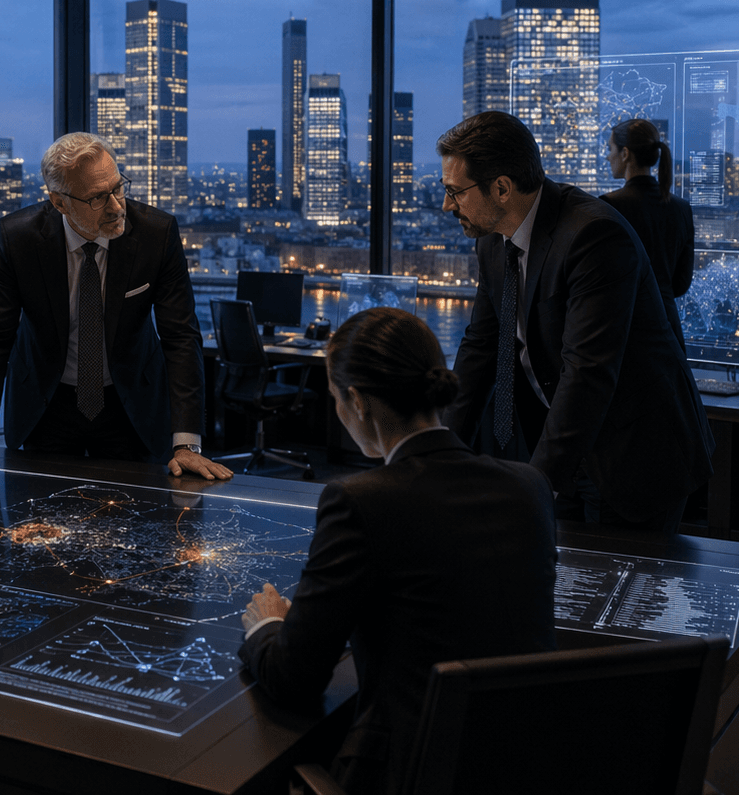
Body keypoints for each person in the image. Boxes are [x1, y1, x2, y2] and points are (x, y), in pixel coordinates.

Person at [240, 307, 556, 794]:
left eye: (335, 399)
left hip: (406, 773)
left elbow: (293, 678)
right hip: (524, 765)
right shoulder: (529, 485)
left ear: (359, 403)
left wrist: (267, 625)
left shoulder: (360, 501)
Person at [437, 110, 712, 534]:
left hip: (632, 452)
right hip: (561, 442)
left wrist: (539, 483)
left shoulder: (592, 235)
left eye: (455, 192)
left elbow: (588, 372)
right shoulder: (492, 241)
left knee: (623, 595)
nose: (446, 205)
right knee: (557, 587)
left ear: (502, 188)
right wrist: (438, 456)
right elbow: (480, 347)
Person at [0, 132, 231, 481]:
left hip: (131, 403)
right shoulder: (17, 239)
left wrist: (187, 444)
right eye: (98, 198)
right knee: (41, 522)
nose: (118, 206)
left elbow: (180, 337)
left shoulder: (156, 234)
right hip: (46, 404)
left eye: (119, 188)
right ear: (59, 203)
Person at [600, 118, 695, 350]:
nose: (607, 156)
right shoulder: (681, 208)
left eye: (610, 149)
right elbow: (681, 284)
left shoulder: (609, 207)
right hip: (668, 328)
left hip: (625, 330)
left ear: (624, 153)